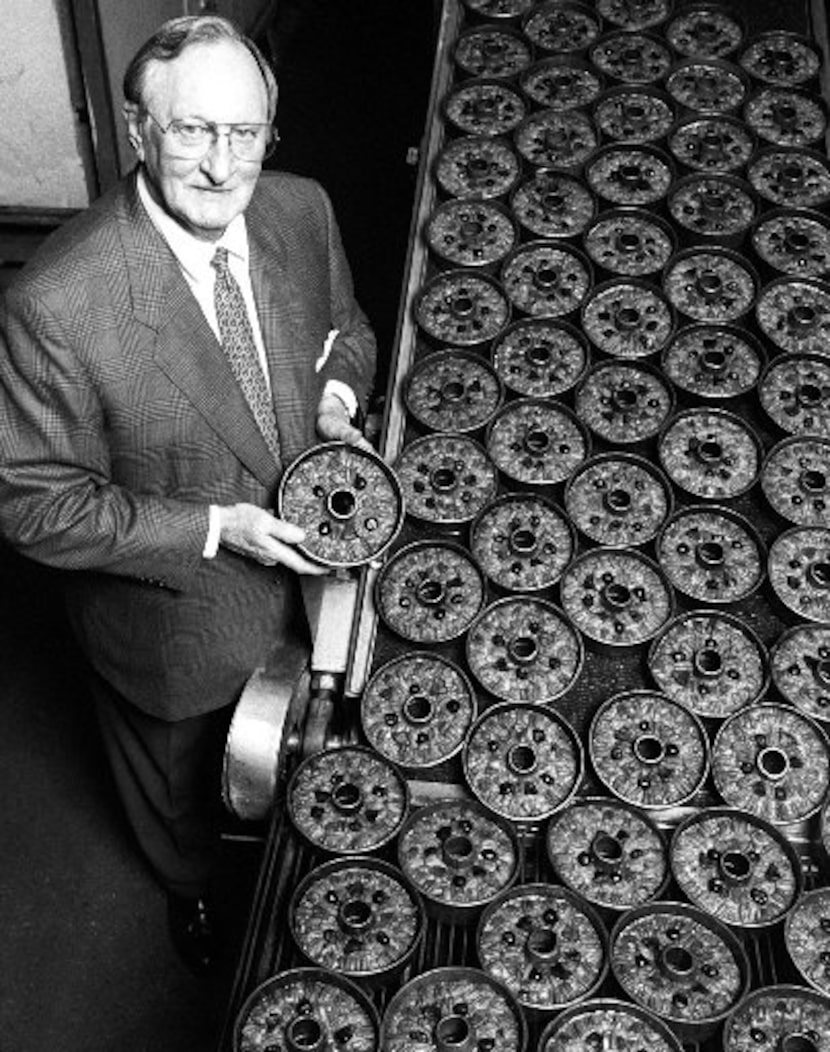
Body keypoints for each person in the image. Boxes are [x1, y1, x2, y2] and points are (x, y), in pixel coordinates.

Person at [0, 15, 376, 975]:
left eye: (243, 134)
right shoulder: (59, 300)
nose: (222, 165)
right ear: (137, 130)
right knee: (179, 788)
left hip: (318, 575)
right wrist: (216, 527)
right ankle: (191, 890)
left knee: (315, 749)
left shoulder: (300, 210)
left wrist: (335, 395)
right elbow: (34, 503)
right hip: (177, 621)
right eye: (191, 131)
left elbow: (347, 329)